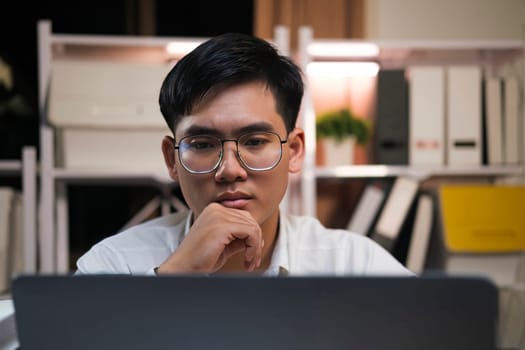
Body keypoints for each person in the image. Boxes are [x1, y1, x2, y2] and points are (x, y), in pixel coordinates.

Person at [76, 32, 412, 276]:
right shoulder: (114, 265)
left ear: (293, 151)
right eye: (204, 144)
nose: (231, 170)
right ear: (171, 160)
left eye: (254, 141)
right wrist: (176, 277)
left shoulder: (354, 267)